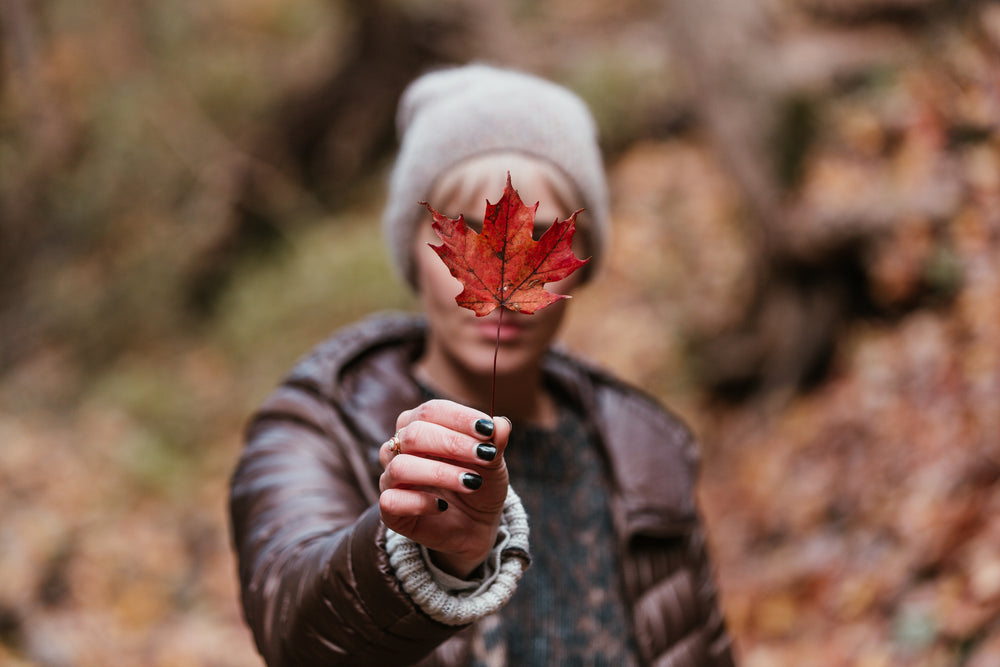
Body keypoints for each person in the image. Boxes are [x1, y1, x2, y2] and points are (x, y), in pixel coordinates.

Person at [229, 63, 735, 666]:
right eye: (465, 231)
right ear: (416, 251)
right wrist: (423, 559)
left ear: (581, 259)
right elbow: (298, 636)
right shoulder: (319, 428)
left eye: (544, 236)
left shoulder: (644, 448)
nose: (500, 271)